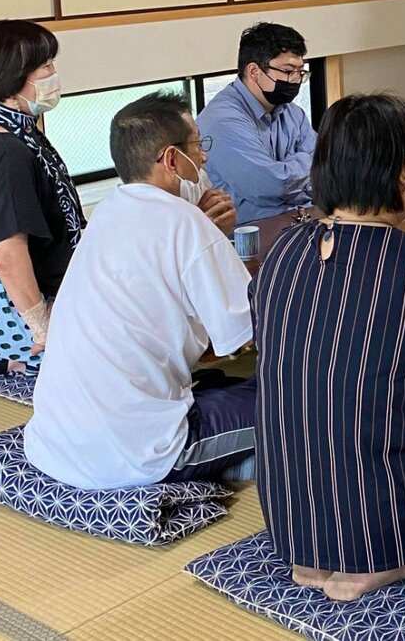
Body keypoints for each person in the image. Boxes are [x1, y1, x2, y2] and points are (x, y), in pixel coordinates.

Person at [253, 93, 405, 601]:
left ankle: (322, 553)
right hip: (388, 525)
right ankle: (402, 557)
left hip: (288, 520)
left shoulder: (281, 249)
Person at [24, 92, 255, 490]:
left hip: (55, 443)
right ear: (171, 159)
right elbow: (246, 337)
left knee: (218, 381)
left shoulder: (106, 215)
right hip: (140, 453)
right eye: (198, 145)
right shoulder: (188, 224)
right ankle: (235, 463)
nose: (203, 158)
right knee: (299, 398)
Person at [0, 20, 83, 374]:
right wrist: (43, 327)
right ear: (13, 78)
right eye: (45, 66)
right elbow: (9, 251)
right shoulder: (5, 148)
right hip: (19, 315)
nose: (53, 73)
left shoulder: (16, 131)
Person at [198, 22, 316, 224]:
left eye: (300, 72)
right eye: (288, 71)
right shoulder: (223, 120)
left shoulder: (292, 112)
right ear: (254, 71)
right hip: (252, 230)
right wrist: (303, 160)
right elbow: (272, 185)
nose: (296, 80)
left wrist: (287, 168)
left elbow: (325, 163)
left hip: (301, 216)